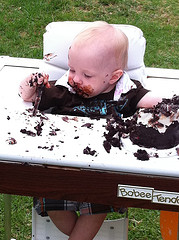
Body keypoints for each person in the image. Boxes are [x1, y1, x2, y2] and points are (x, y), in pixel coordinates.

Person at [19, 21, 162, 240]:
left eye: (87, 75)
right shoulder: (65, 90)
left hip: (101, 170)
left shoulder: (126, 93)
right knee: (53, 201)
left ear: (113, 77)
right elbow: (29, 98)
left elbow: (156, 102)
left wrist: (170, 104)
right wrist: (31, 83)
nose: (75, 78)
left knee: (99, 205)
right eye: (72, 69)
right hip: (61, 165)